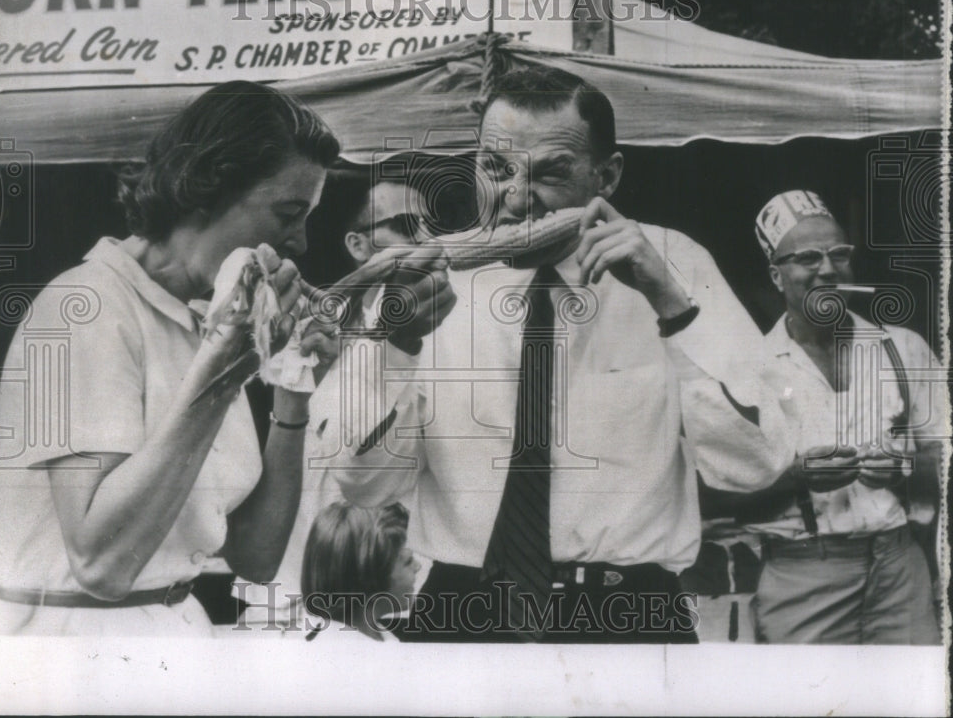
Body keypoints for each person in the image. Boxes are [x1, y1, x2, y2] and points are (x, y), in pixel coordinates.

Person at [333, 64, 794, 643]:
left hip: (627, 611)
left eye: (551, 173)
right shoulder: (424, 286)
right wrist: (396, 346)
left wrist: (673, 308)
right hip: (463, 606)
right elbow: (362, 485)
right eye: (496, 169)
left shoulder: (678, 264)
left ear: (607, 176)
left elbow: (756, 465)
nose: (518, 200)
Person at [0, 80, 439, 636]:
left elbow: (255, 554)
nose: (299, 242)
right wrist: (222, 376)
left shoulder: (206, 321)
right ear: (206, 189)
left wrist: (293, 396)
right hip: (78, 647)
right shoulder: (84, 308)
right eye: (287, 212)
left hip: (177, 631)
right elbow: (101, 565)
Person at [742, 190, 942, 645]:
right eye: (808, 257)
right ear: (777, 274)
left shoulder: (902, 348)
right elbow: (718, 493)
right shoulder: (750, 367)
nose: (828, 269)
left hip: (898, 567)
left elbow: (943, 459)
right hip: (804, 574)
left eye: (839, 254)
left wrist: (905, 470)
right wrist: (794, 476)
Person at [235, 173, 433, 629]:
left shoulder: (448, 340)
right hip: (291, 606)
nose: (424, 239)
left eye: (431, 226)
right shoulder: (302, 332)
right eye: (405, 225)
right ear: (359, 246)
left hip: (391, 604)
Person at [301, 501, 421, 643]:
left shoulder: (381, 635)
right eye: (407, 561)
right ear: (371, 574)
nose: (418, 566)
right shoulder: (341, 650)